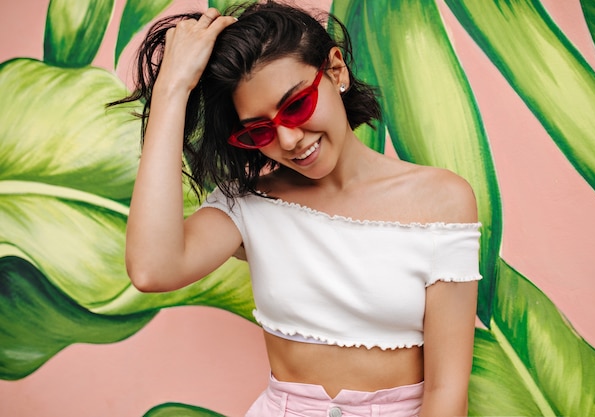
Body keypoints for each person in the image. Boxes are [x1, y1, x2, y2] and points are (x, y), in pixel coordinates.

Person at [117, 1, 481, 416]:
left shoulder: (442, 199)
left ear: (335, 71)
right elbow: (151, 268)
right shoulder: (250, 203)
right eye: (259, 130)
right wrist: (171, 90)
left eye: (296, 105)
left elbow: (447, 391)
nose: (288, 139)